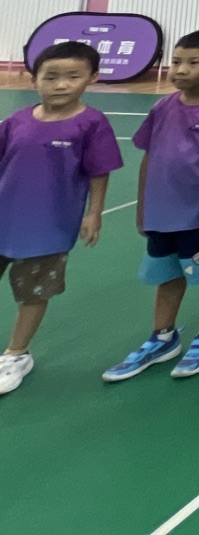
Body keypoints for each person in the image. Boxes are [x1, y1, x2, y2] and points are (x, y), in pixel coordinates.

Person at [102, 30, 199, 384]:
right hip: (163, 213)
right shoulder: (163, 106)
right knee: (167, 273)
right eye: (177, 61)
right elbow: (149, 156)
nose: (181, 69)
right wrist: (143, 206)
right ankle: (163, 337)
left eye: (194, 62)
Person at [0, 42, 123, 396]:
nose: (61, 84)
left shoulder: (91, 123)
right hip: (4, 218)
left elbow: (99, 171)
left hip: (48, 228)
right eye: (50, 77)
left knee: (33, 292)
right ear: (34, 79)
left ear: (92, 78)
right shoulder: (16, 121)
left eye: (72, 76)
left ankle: (16, 354)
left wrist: (94, 213)